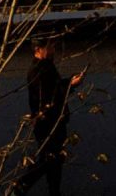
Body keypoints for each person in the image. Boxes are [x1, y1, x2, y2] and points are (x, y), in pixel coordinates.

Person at [14, 40, 80, 194]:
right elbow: (50, 96)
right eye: (50, 47)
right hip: (48, 120)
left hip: (50, 118)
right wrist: (71, 85)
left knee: (55, 159)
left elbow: (54, 87)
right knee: (49, 158)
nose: (53, 50)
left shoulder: (45, 66)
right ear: (38, 49)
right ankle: (21, 185)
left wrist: (70, 81)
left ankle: (53, 191)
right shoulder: (39, 70)